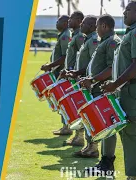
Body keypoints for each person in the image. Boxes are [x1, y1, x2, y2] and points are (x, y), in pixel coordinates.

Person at [100, 1, 136, 179]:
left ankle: (135, 177)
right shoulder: (131, 32)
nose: (124, 13)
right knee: (126, 133)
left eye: (128, 10)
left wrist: (115, 84)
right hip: (128, 88)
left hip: (134, 89)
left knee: (133, 135)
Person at [80, 14, 121, 176]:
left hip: (105, 89)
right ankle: (104, 162)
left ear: (104, 26)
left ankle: (107, 163)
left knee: (108, 128)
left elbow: (112, 68)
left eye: (97, 26)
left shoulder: (112, 42)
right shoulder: (105, 41)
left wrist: (93, 79)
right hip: (99, 88)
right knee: (104, 127)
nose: (96, 29)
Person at [65, 15, 100, 158]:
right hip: (83, 81)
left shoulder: (93, 40)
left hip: (90, 82)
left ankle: (93, 147)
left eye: (84, 23)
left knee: (90, 115)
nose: (81, 25)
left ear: (92, 26)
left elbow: (93, 62)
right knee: (85, 114)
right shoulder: (87, 39)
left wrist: (79, 73)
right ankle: (88, 145)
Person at [41, 15, 72, 136]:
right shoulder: (63, 35)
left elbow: (64, 57)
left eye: (58, 21)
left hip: (62, 74)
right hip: (58, 73)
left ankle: (67, 126)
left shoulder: (65, 36)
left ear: (65, 23)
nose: (56, 23)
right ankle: (65, 126)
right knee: (61, 101)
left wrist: (50, 66)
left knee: (63, 101)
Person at [61, 11, 86, 146]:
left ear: (78, 20)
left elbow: (84, 57)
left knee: (80, 106)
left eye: (71, 19)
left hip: (79, 76)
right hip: (72, 74)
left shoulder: (81, 36)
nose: (68, 21)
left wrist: (75, 72)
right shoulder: (74, 35)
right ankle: (78, 136)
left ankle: (81, 137)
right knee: (75, 106)